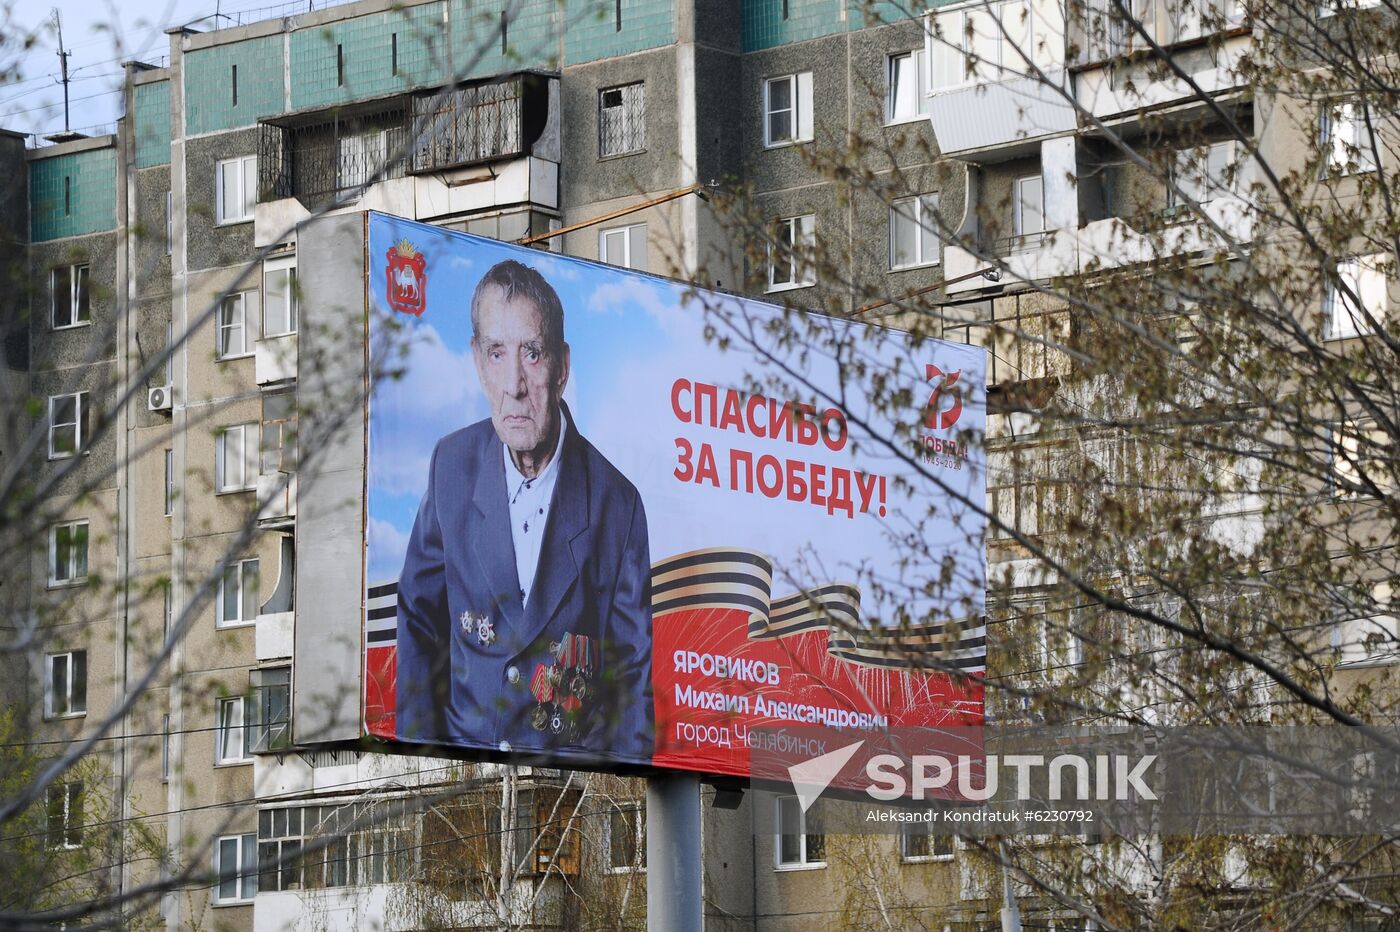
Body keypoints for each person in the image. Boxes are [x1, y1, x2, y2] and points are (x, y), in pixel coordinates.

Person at [395, 259, 653, 764]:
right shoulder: (450, 465)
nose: (514, 384)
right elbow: (418, 620)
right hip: (463, 789)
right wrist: (428, 758)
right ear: (477, 361)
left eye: (532, 354)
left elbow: (631, 689)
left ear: (562, 366)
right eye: (497, 352)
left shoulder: (617, 505)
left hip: (567, 797)